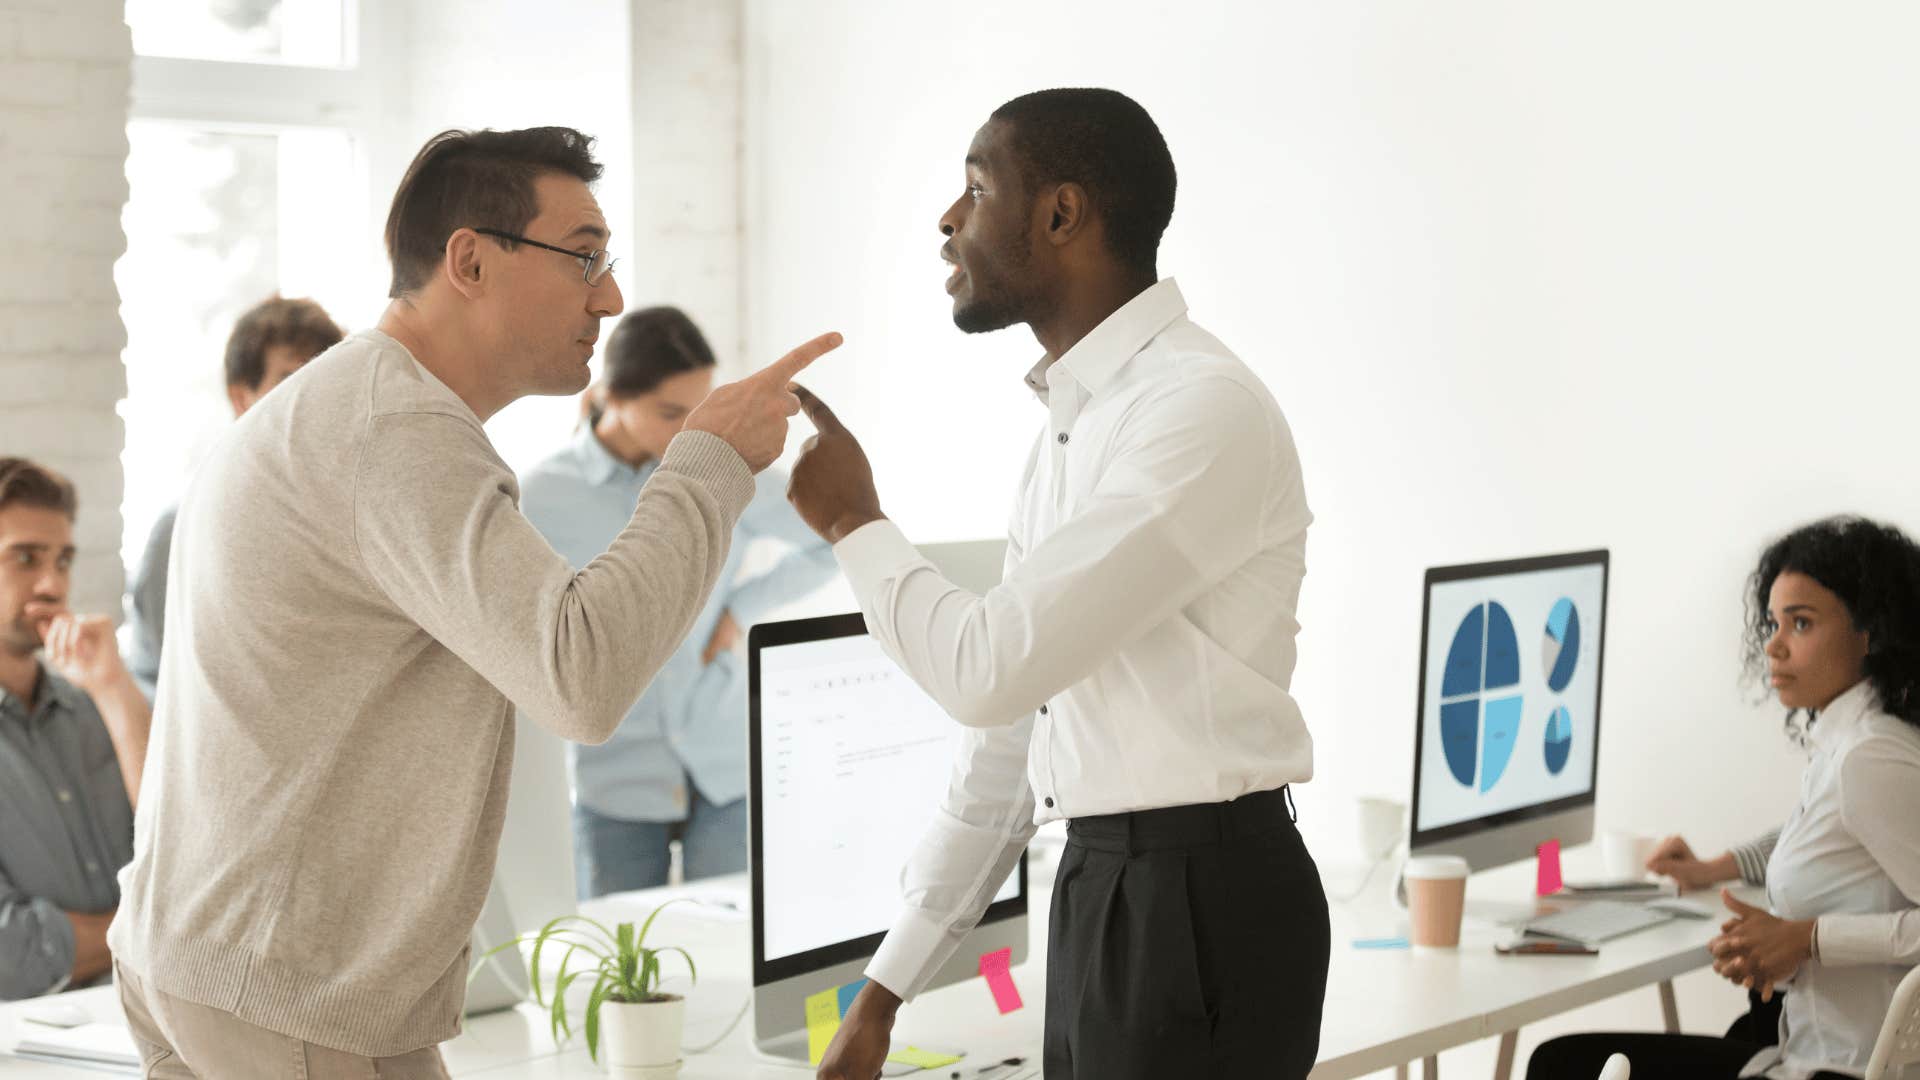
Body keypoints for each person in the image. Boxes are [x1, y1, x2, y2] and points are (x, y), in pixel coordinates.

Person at [107, 125, 839, 1077]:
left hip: (220, 964)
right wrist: (705, 459)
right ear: (469, 261)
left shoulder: (358, 408)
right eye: (583, 257)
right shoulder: (396, 429)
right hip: (284, 988)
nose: (610, 295)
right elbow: (580, 676)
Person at [791, 88, 1329, 1080]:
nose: (948, 221)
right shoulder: (1074, 428)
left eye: (976, 188)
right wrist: (884, 994)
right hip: (1100, 886)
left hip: (1201, 900)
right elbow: (1015, 735)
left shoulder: (1199, 411)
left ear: (1062, 214)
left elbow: (987, 672)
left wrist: (852, 522)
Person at [1528, 516, 1920, 1080]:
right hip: (1810, 1051)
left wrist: (1809, 940)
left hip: (1838, 1070)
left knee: (1559, 1065)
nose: (1775, 646)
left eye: (1801, 624)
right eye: (1772, 623)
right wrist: (1721, 868)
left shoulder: (1867, 758)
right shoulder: (1850, 743)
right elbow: (1813, 836)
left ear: (1870, 632)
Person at [521, 305, 837, 896]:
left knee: (731, 954)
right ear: (610, 395)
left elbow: (832, 541)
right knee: (619, 966)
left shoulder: (727, 469)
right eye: (670, 413)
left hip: (722, 763)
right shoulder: (541, 497)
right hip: (613, 775)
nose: (691, 432)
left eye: (699, 412)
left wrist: (738, 610)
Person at [124, 295, 345, 700]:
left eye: (322, 377)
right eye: (290, 379)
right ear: (242, 397)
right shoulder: (182, 528)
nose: (310, 396)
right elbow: (160, 681)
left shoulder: (346, 524)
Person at [0, 458, 152, 999]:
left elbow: (194, 845)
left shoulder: (98, 702)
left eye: (62, 561)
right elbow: (10, 956)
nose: (52, 583)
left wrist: (113, 689)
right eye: (25, 559)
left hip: (136, 1027)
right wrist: (150, 930)